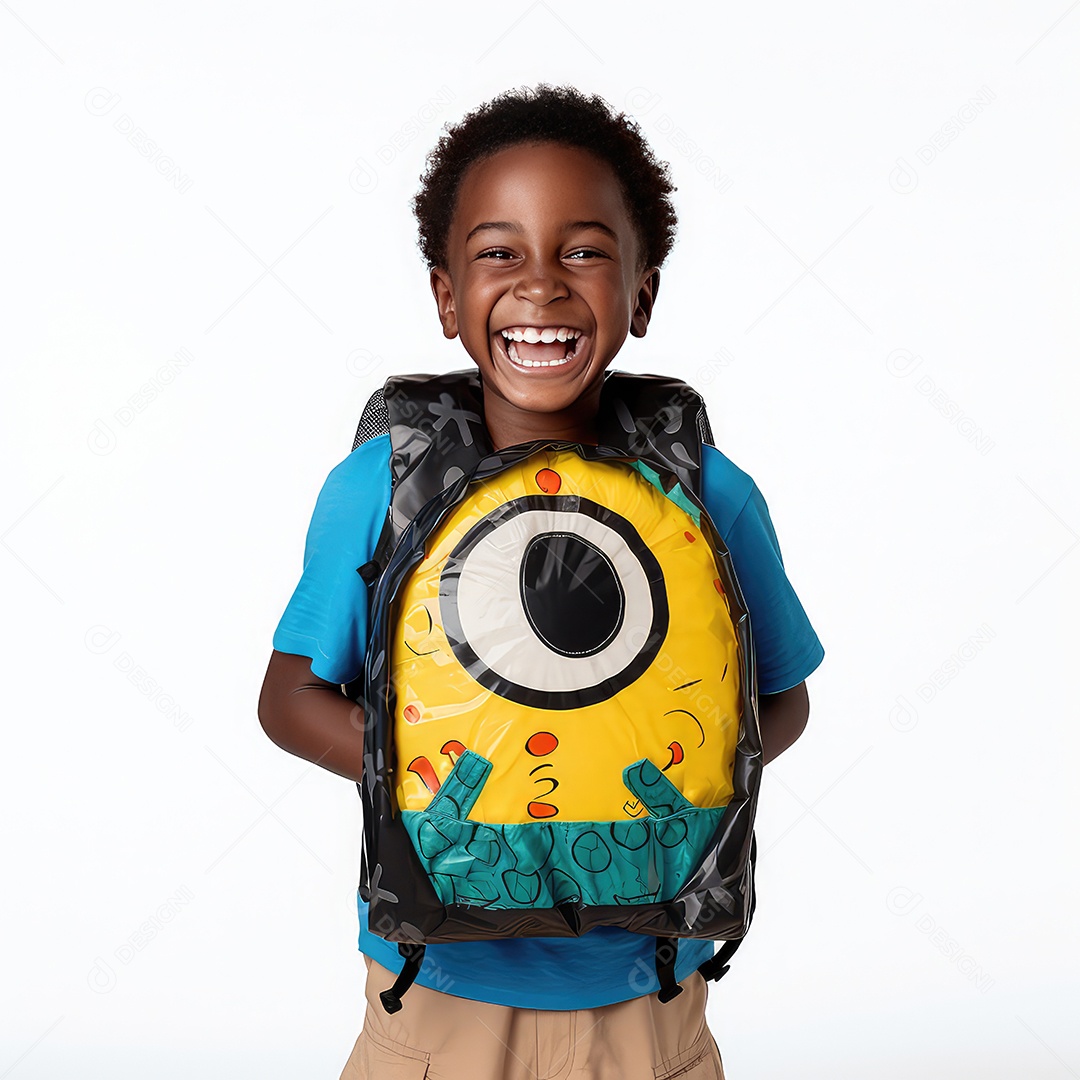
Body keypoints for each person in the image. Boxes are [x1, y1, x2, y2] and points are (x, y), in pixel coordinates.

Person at [258, 83, 825, 1080]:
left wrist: (682, 790)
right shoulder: (385, 485)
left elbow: (780, 698)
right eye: (498, 253)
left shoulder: (702, 489)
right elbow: (287, 699)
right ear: (447, 296)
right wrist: (439, 786)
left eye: (585, 251)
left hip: (650, 994)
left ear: (640, 294)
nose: (541, 287)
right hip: (442, 998)